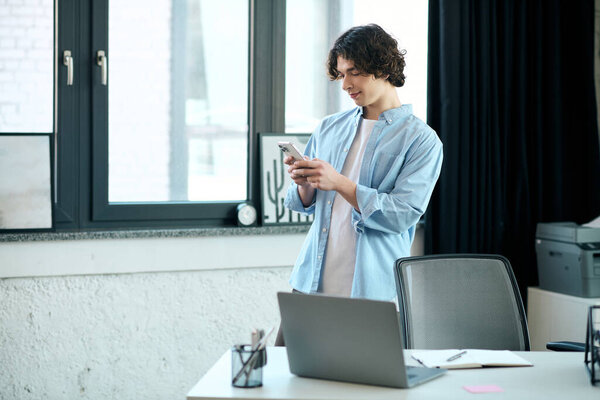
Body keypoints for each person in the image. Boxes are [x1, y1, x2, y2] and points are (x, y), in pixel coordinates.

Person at [275, 24, 443, 345]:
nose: (346, 84)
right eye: (341, 74)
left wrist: (339, 183)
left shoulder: (422, 141)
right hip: (311, 284)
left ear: (383, 67)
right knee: (287, 385)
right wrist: (304, 183)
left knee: (366, 390)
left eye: (354, 72)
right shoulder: (329, 127)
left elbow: (401, 216)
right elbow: (303, 202)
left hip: (372, 292)